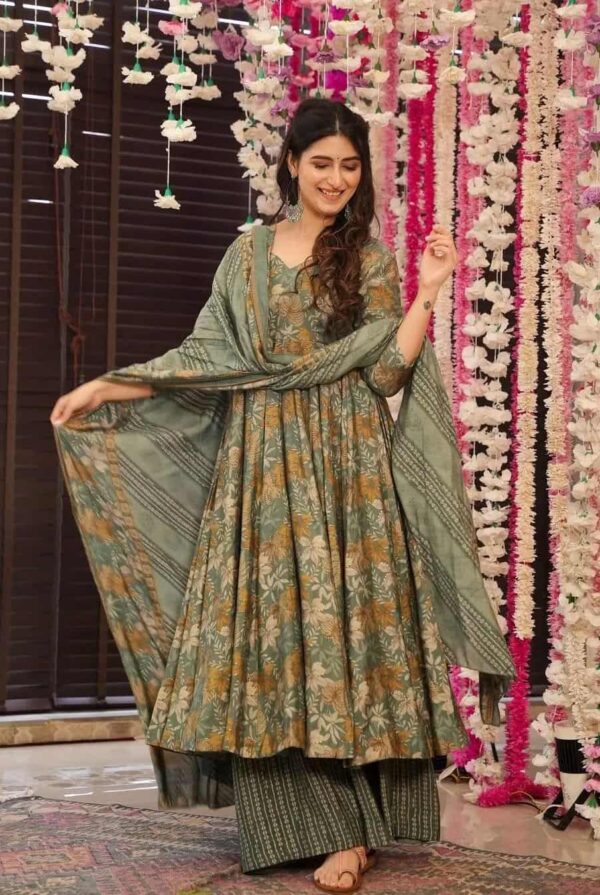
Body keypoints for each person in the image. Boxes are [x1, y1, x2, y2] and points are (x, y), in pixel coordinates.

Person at [51, 99, 512, 894]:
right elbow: (207, 355)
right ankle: (308, 823)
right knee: (272, 645)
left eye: (350, 164)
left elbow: (386, 373)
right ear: (292, 164)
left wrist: (428, 292)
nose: (337, 178)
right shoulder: (248, 256)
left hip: (349, 470)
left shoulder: (366, 257)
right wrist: (107, 385)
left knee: (347, 641)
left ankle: (358, 828)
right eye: (322, 161)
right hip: (262, 468)